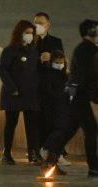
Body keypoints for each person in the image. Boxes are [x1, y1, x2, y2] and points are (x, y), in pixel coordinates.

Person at [44, 19, 98, 177]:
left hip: (76, 95)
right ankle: (94, 168)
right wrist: (94, 95)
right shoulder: (87, 49)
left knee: (71, 128)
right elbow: (88, 75)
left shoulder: (85, 48)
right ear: (90, 32)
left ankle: (51, 158)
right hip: (80, 95)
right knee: (91, 130)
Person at [0, 20, 42, 165]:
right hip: (14, 93)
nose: (30, 36)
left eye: (31, 33)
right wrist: (13, 88)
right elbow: (3, 70)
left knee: (33, 125)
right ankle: (7, 153)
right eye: (27, 33)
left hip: (30, 93)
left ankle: (33, 153)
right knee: (11, 124)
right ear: (20, 33)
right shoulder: (10, 50)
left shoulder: (33, 50)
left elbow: (35, 70)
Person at [33, 11, 66, 163]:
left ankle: (56, 152)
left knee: (54, 119)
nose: (37, 26)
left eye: (40, 23)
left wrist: (51, 58)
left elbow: (61, 62)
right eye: (35, 23)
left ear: (48, 25)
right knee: (38, 120)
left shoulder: (55, 41)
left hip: (52, 86)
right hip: (36, 87)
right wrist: (38, 60)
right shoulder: (31, 42)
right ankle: (38, 150)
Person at [37, 50, 70, 175]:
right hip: (52, 109)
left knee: (61, 135)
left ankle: (51, 164)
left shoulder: (65, 74)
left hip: (63, 108)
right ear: (52, 62)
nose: (60, 64)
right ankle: (46, 148)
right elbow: (48, 92)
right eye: (57, 62)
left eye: (62, 62)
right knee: (58, 132)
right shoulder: (48, 74)